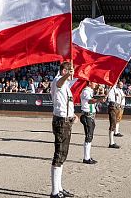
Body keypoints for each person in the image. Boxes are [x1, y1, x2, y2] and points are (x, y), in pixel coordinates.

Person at [50, 62, 77, 198]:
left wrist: (72, 115)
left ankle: (59, 188)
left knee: (63, 154)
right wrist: (66, 75)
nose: (72, 74)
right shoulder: (57, 80)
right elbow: (59, 83)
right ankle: (55, 192)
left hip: (66, 121)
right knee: (59, 154)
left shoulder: (66, 85)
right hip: (61, 121)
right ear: (64, 70)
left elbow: (67, 103)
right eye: (70, 71)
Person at [80, 81, 106, 164]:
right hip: (87, 116)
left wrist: (100, 98)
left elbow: (95, 99)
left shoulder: (90, 91)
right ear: (90, 83)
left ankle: (87, 157)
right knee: (89, 136)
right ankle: (86, 158)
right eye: (94, 82)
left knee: (89, 136)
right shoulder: (86, 91)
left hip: (90, 116)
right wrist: (99, 99)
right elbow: (90, 101)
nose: (96, 84)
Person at [107, 84, 121, 148]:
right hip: (112, 106)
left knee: (114, 124)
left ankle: (112, 142)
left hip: (116, 106)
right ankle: (111, 142)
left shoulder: (115, 89)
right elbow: (110, 99)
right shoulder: (110, 89)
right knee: (112, 124)